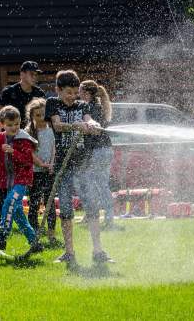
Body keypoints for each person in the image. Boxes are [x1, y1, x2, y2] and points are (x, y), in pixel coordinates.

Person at [45, 70, 113, 267]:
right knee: (66, 210)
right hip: (63, 166)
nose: (72, 97)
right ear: (58, 90)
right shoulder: (52, 104)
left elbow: (88, 118)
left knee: (91, 207)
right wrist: (76, 126)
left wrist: (92, 124)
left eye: (75, 92)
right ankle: (69, 252)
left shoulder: (82, 104)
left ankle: (98, 251)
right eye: (67, 92)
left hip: (84, 166)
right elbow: (57, 126)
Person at [0, 105, 43, 253]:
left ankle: (2, 236)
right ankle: (35, 242)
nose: (14, 128)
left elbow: (27, 161)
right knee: (18, 214)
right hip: (8, 182)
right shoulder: (0, 138)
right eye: (9, 125)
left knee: (8, 203)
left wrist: (13, 152)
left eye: (17, 124)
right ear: (1, 125)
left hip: (21, 181)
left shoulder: (24, 139)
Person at [78, 80, 119, 229]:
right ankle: (105, 218)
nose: (78, 94)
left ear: (87, 93)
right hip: (106, 150)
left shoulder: (88, 107)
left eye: (80, 91)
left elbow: (91, 130)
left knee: (92, 185)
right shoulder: (99, 106)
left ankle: (99, 218)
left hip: (97, 151)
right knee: (100, 185)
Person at [25, 98, 59, 244]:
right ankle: (34, 235)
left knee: (50, 203)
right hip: (35, 171)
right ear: (32, 116)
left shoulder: (51, 129)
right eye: (37, 115)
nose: (40, 118)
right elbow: (29, 153)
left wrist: (51, 164)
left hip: (49, 171)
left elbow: (53, 148)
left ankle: (51, 235)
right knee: (34, 203)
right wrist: (41, 164)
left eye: (43, 115)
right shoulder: (29, 131)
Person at [0, 61, 46, 131]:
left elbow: (45, 116)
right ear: (22, 74)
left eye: (36, 75)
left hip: (32, 135)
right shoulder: (9, 92)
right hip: (11, 134)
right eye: (32, 74)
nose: (34, 77)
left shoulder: (39, 93)